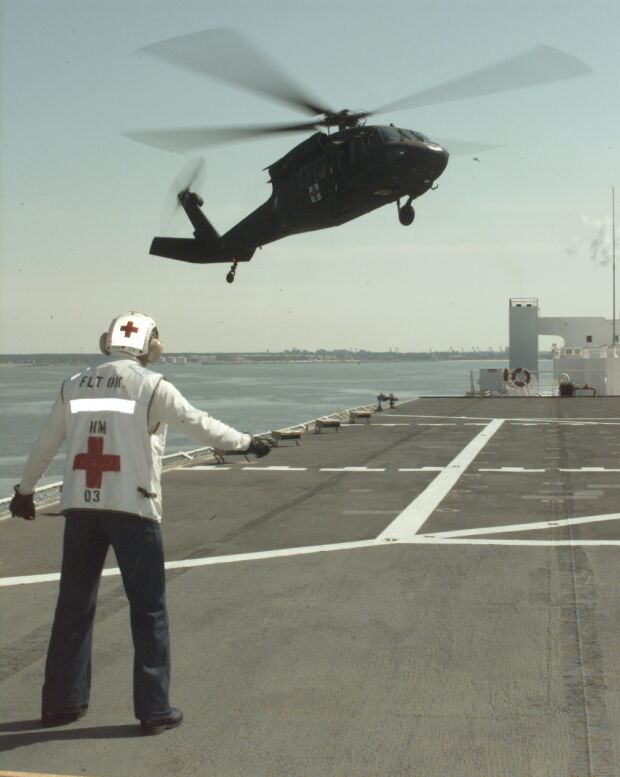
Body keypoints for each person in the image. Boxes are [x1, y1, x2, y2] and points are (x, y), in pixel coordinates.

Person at [9, 311, 270, 735]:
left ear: (105, 342)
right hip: (133, 510)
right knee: (148, 610)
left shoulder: (73, 383)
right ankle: (153, 710)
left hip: (80, 509)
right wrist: (247, 443)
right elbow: (197, 423)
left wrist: (24, 491)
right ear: (151, 345)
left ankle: (61, 704)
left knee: (73, 606)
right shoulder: (151, 385)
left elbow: (45, 442)